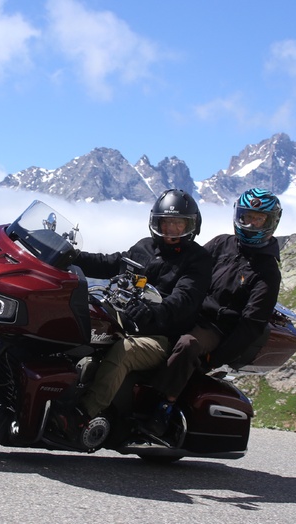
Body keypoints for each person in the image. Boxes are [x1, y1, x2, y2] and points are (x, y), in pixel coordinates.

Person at [51, 189, 210, 441]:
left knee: (125, 351)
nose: (171, 230)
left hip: (160, 336)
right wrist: (71, 257)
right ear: (156, 222)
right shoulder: (144, 247)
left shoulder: (198, 260)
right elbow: (112, 263)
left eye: (179, 224)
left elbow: (184, 299)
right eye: (166, 223)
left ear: (192, 225)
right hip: (124, 320)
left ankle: (82, 415)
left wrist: (153, 311)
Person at [145, 187, 283, 436]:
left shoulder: (268, 271)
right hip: (190, 310)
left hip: (215, 328)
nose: (250, 223)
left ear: (270, 222)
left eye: (258, 218)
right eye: (246, 216)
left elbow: (251, 323)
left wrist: (217, 357)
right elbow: (189, 265)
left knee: (188, 344)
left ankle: (162, 404)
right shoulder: (222, 243)